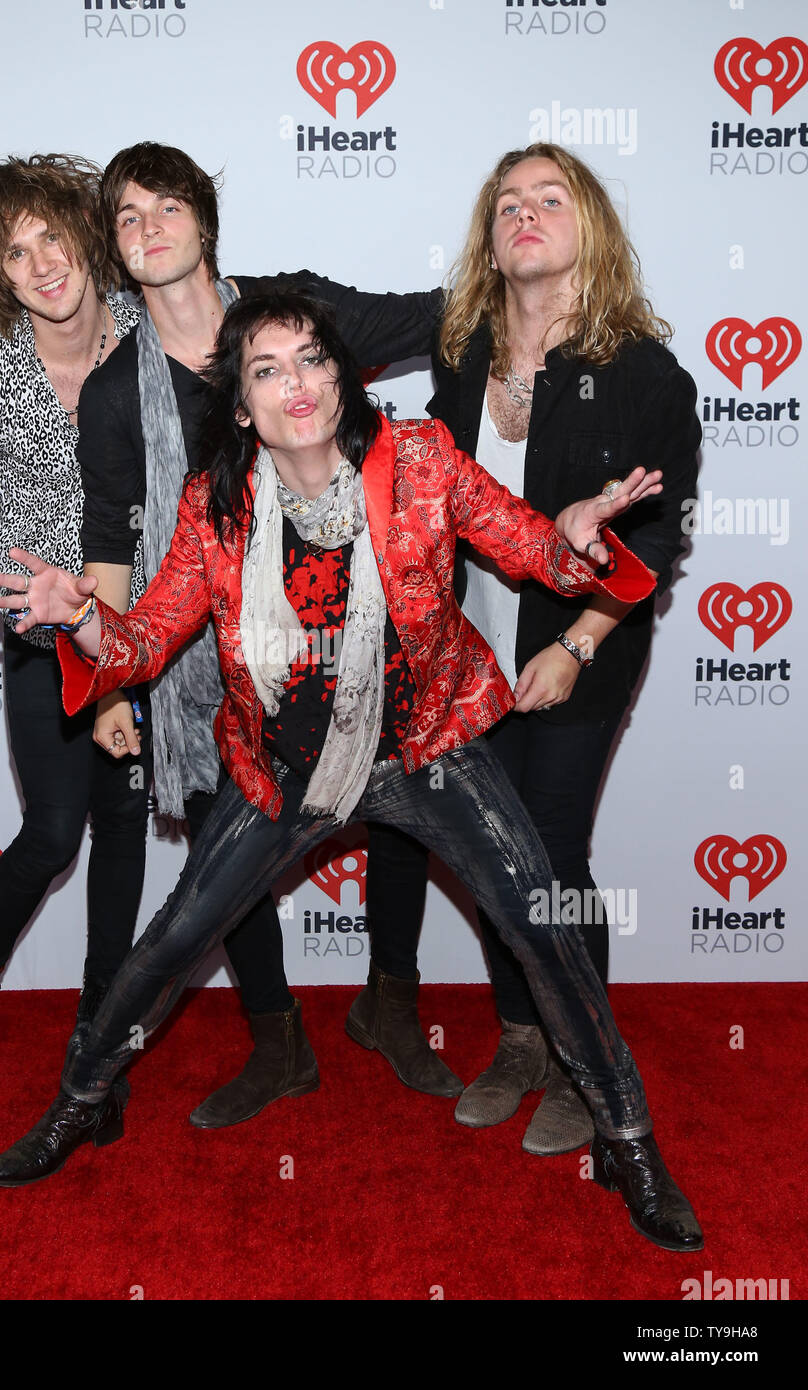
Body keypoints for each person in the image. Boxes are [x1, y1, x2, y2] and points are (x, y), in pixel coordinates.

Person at [0, 291, 703, 1254]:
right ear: (241, 407)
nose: (297, 385)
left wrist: (577, 540)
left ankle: (626, 1138)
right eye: (267, 371)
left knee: (544, 919)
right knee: (174, 937)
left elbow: (535, 546)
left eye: (313, 360)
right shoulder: (216, 505)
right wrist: (80, 619)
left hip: (428, 746)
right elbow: (145, 639)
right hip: (288, 768)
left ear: (342, 376)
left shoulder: (420, 461)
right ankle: (77, 1103)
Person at [76, 141, 459, 1127]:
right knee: (217, 844)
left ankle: (390, 1001)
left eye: (167, 205)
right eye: (127, 215)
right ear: (116, 250)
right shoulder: (118, 390)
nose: (150, 226)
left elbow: (428, 319)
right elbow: (110, 535)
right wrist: (113, 684)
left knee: (399, 808)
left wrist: (537, 299)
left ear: (203, 220)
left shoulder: (291, 310)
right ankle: (276, 1037)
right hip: (204, 652)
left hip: (351, 618)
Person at [427, 144, 700, 1155]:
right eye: (506, 204)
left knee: (546, 851)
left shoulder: (641, 373)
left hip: (577, 649)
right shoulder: (460, 355)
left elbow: (656, 539)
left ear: (588, 226)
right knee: (491, 858)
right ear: (490, 245)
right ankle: (518, 1037)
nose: (524, 214)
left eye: (549, 198)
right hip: (470, 656)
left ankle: (582, 1057)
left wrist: (578, 643)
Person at [0, 154, 146, 1105]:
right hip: (45, 644)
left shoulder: (151, 341)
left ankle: (100, 1034)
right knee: (52, 832)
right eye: (15, 252)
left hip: (145, 642)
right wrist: (34, 586)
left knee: (126, 826)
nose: (42, 263)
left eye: (53, 235)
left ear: (89, 238)